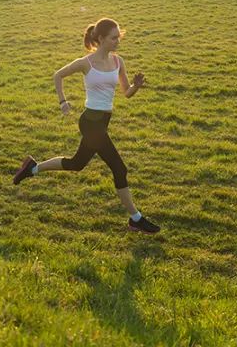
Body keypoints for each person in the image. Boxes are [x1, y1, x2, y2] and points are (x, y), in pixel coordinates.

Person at [13, 18, 161, 234]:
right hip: (90, 122)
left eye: (119, 37)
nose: (117, 41)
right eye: (113, 38)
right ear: (101, 39)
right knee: (119, 168)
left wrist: (136, 87)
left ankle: (32, 168)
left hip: (102, 122)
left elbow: (126, 92)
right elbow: (58, 75)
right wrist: (63, 102)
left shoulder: (118, 61)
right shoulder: (86, 63)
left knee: (77, 164)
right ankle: (135, 218)